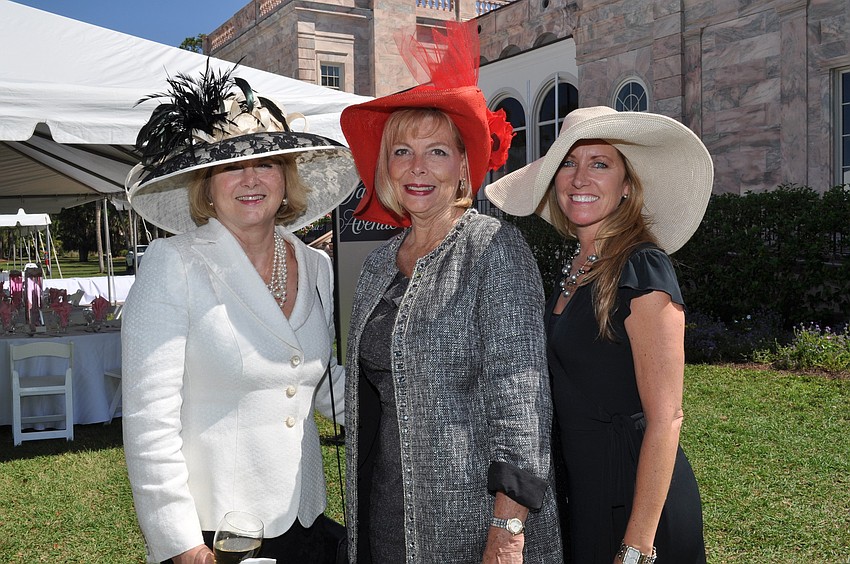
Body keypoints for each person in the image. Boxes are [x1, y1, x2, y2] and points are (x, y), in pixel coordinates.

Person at [338, 22, 562, 564]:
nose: (417, 168)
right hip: (385, 510)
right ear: (385, 167)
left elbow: (522, 402)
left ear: (463, 165)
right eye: (403, 152)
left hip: (474, 522)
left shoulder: (492, 249)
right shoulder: (374, 267)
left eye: (437, 151)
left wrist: (507, 530)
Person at [121, 65, 359, 564]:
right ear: (206, 187)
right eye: (231, 167)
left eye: (266, 164)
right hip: (217, 534)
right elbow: (149, 419)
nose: (250, 179)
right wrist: (181, 542)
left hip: (305, 518)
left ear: (286, 178)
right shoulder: (174, 265)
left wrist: (409, 409)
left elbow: (314, 381)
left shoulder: (316, 266)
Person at [485, 106, 710, 563]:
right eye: (568, 163)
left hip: (637, 498)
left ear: (627, 186)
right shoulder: (575, 269)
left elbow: (666, 418)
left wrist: (638, 545)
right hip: (583, 489)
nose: (579, 177)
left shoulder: (642, 267)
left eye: (599, 163)